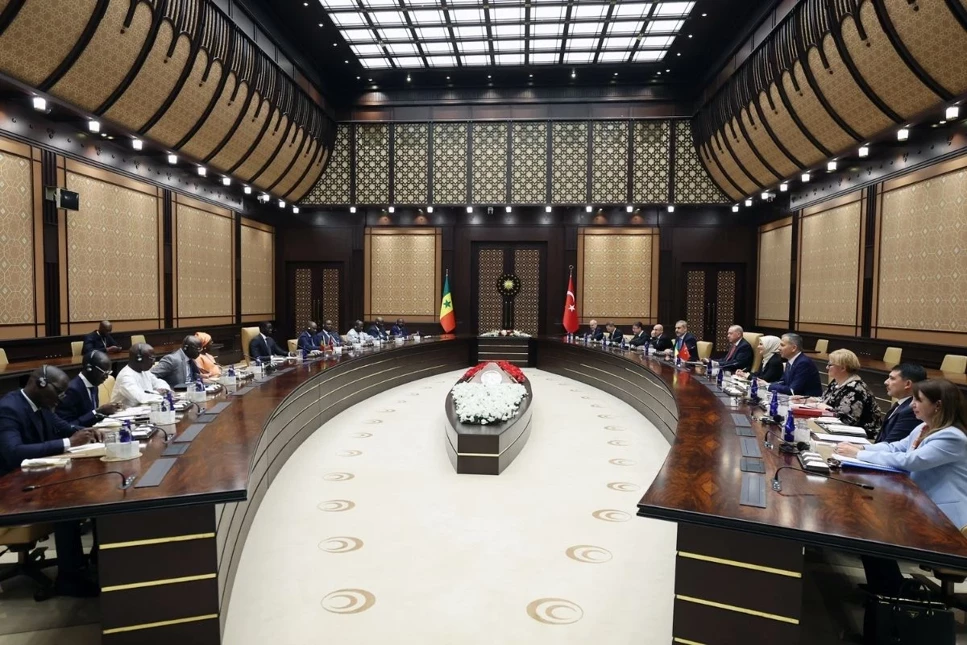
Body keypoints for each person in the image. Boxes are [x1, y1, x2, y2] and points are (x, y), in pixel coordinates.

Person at [835, 379, 967, 595]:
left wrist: (858, 455)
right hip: (923, 507)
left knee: (874, 530)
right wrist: (861, 448)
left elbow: (909, 461)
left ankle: (892, 593)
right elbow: (895, 447)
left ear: (938, 405)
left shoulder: (952, 437)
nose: (912, 404)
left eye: (918, 400)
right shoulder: (924, 427)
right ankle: (887, 589)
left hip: (946, 522)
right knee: (869, 526)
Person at [0, 366, 99, 597]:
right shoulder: (8, 408)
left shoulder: (41, 405)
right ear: (41, 384)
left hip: (33, 478)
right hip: (10, 490)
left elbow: (64, 428)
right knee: (67, 507)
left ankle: (86, 562)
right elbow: (14, 453)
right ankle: (69, 580)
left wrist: (87, 432)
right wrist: (68, 443)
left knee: (87, 494)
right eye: (60, 392)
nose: (62, 398)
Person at [800, 349, 883, 438]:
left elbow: (847, 421)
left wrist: (824, 407)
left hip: (863, 436)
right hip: (835, 429)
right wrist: (804, 400)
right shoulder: (836, 382)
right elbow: (824, 400)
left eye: (830, 365)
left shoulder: (856, 390)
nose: (827, 367)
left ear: (843, 368)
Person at [55, 350, 121, 427]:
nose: (106, 377)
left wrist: (106, 412)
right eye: (104, 373)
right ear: (89, 368)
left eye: (108, 373)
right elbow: (68, 425)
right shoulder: (71, 390)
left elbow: (91, 417)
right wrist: (98, 412)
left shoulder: (94, 385)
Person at [877, 363, 928, 444]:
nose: (885, 382)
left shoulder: (911, 411)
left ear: (907, 384)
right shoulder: (901, 404)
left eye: (892, 378)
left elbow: (892, 444)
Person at [766, 333, 822, 397]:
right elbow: (783, 381)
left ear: (794, 348)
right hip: (795, 399)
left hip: (808, 400)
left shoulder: (803, 363)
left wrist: (770, 386)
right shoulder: (790, 360)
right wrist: (768, 384)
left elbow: (792, 390)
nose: (779, 348)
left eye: (782, 345)